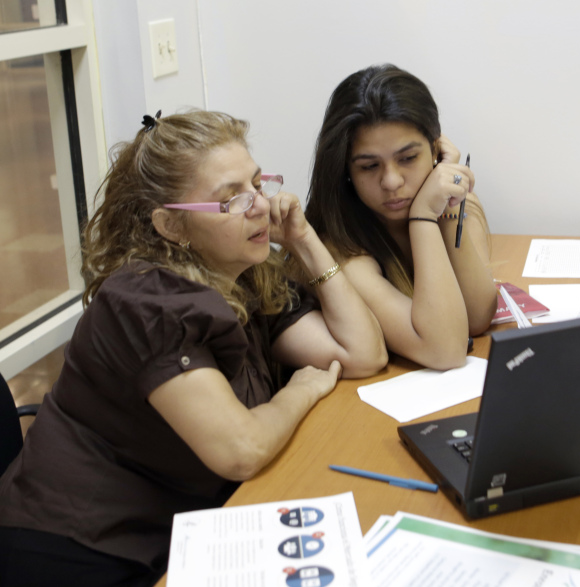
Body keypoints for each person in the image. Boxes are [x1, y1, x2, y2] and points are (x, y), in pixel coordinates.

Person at [0, 110, 387, 586]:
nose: (260, 206)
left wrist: (305, 241)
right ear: (171, 227)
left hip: (179, 530)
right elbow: (240, 450)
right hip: (80, 552)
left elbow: (362, 355)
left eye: (258, 184)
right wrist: (301, 390)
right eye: (232, 200)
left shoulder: (244, 270)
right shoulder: (145, 302)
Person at [304, 64, 497, 370]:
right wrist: (422, 216)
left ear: (436, 150)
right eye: (369, 166)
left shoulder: (456, 204)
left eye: (408, 159)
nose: (391, 182)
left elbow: (477, 317)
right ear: (346, 172)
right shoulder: (340, 252)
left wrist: (443, 208)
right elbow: (445, 350)